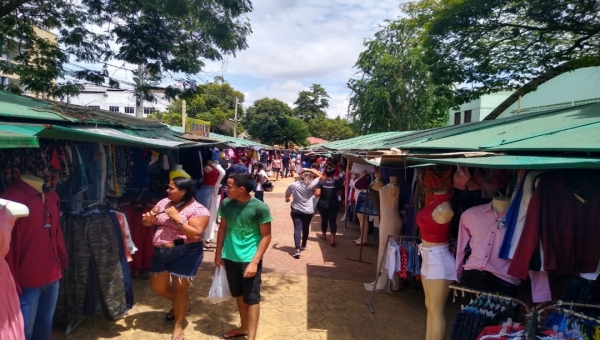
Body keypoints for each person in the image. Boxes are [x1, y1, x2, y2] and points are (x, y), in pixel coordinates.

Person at [141, 177, 210, 340]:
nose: (167, 191)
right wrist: (148, 221)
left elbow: (195, 234)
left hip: (186, 253)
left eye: (171, 188)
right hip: (160, 253)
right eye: (168, 187)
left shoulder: (199, 210)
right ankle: (182, 304)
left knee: (181, 290)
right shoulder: (164, 202)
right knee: (158, 287)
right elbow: (146, 221)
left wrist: (177, 218)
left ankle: (178, 325)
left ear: (184, 191)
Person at [215, 173, 273, 340]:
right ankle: (244, 327)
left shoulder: (259, 207)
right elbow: (223, 228)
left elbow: (266, 236)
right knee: (239, 295)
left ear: (241, 189)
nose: (226, 189)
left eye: (229, 186)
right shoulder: (226, 204)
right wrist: (218, 254)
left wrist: (254, 263)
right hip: (230, 257)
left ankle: (252, 337)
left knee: (252, 298)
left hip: (249, 259)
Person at [285, 168, 321, 258]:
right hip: (308, 211)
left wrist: (287, 199)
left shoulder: (293, 185)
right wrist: (309, 169)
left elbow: (287, 196)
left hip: (296, 210)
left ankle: (297, 249)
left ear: (301, 177)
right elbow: (320, 176)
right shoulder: (311, 185)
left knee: (297, 228)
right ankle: (304, 244)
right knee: (305, 227)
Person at [314, 166, 344, 247]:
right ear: (333, 173)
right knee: (333, 221)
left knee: (324, 219)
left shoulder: (321, 183)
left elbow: (317, 194)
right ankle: (332, 238)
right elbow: (339, 193)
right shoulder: (337, 182)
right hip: (334, 204)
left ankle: (324, 235)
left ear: (325, 173)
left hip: (322, 204)